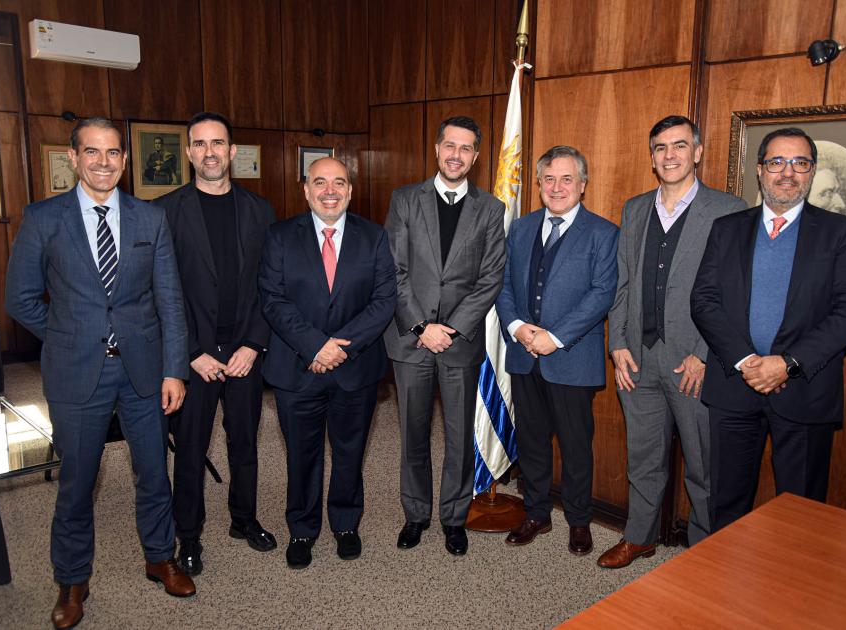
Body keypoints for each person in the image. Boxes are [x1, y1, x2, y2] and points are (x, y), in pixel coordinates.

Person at [5, 117, 195, 630]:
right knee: (77, 481)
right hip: (76, 373)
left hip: (144, 370)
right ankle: (71, 580)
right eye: (93, 152)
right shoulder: (43, 218)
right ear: (74, 158)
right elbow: (19, 298)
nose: (104, 162)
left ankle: (161, 557)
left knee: (154, 472)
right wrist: (70, 333)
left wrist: (175, 370)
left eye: (113, 153)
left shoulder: (149, 219)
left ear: (125, 161)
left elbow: (170, 300)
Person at [691, 127, 846, 532]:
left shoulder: (839, 233)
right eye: (777, 162)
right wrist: (746, 361)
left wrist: (787, 364)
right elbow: (704, 300)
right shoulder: (727, 229)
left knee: (802, 514)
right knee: (727, 505)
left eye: (800, 163)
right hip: (734, 389)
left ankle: (794, 594)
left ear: (810, 171)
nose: (788, 172)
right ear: (760, 170)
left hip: (806, 392)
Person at [599, 116, 745, 569]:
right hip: (638, 358)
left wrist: (706, 356)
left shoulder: (729, 209)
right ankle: (639, 536)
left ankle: (705, 551)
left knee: (703, 465)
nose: (669, 155)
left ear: (697, 152)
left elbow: (735, 293)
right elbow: (623, 282)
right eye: (660, 147)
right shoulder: (636, 208)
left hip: (694, 362)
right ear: (652, 156)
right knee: (642, 456)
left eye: (679, 146)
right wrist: (618, 342)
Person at [154, 112, 277, 576]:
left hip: (246, 351)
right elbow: (161, 291)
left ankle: (244, 519)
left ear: (232, 151)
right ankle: (189, 536)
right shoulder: (165, 211)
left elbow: (271, 285)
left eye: (218, 143)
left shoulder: (259, 210)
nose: (209, 152)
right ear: (188, 153)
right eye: (200, 144)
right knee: (190, 449)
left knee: (245, 442)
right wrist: (190, 353)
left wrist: (254, 344)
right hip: (195, 356)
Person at [259, 157, 396, 569]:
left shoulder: (373, 237)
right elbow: (273, 299)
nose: (330, 190)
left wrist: (341, 348)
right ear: (306, 190)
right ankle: (302, 529)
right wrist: (316, 346)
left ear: (351, 191)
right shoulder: (280, 236)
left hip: (356, 370)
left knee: (350, 451)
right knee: (302, 454)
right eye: (320, 182)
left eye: (339, 182)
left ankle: (346, 523)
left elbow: (384, 300)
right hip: (296, 368)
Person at [384, 116, 506, 556]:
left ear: (475, 156)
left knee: (458, 437)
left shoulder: (491, 209)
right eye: (449, 145)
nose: (456, 154)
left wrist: (449, 328)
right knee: (413, 434)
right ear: (436, 149)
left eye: (466, 148)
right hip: (410, 340)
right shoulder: (404, 200)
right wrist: (422, 326)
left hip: (460, 343)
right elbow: (393, 270)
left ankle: (454, 517)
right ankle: (416, 514)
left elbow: (490, 278)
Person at [497, 145, 619, 557]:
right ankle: (536, 513)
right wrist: (516, 327)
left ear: (583, 185)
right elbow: (504, 285)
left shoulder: (604, 233)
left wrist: (555, 337)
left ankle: (579, 521)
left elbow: (602, 294)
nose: (557, 186)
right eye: (548, 178)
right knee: (531, 441)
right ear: (538, 183)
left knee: (575, 445)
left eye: (567, 179)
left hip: (572, 358)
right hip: (523, 355)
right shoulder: (520, 228)